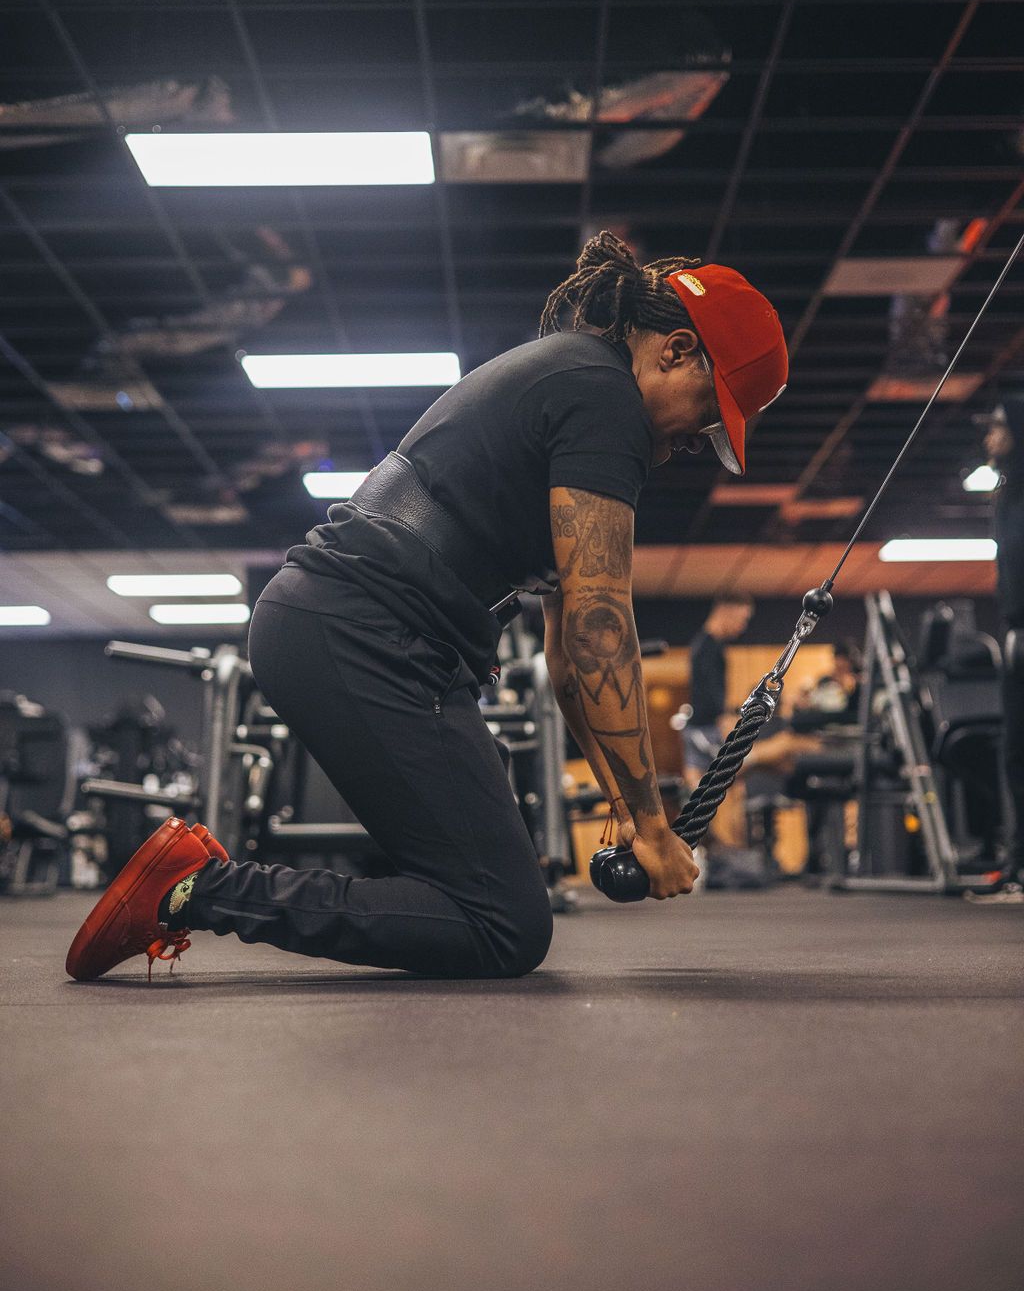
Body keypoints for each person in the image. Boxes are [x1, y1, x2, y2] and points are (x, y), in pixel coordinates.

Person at [66, 232, 789, 984]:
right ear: (676, 350)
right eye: (709, 410)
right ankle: (194, 889)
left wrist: (626, 803)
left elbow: (571, 657)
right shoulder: (607, 400)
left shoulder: (576, 382)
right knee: (505, 924)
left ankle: (199, 885)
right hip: (365, 630)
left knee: (487, 901)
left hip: (360, 629)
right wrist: (653, 824)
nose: (695, 441)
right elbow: (602, 628)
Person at [984, 398, 1024, 886]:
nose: (989, 438)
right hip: (1016, 635)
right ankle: (1019, 860)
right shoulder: (1005, 494)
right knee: (1015, 752)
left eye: (996, 427)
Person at [684, 598, 754, 780]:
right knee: (733, 773)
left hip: (704, 726)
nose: (743, 626)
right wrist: (723, 718)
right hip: (706, 728)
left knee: (703, 781)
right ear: (725, 611)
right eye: (742, 619)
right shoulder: (707, 647)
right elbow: (708, 690)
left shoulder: (709, 645)